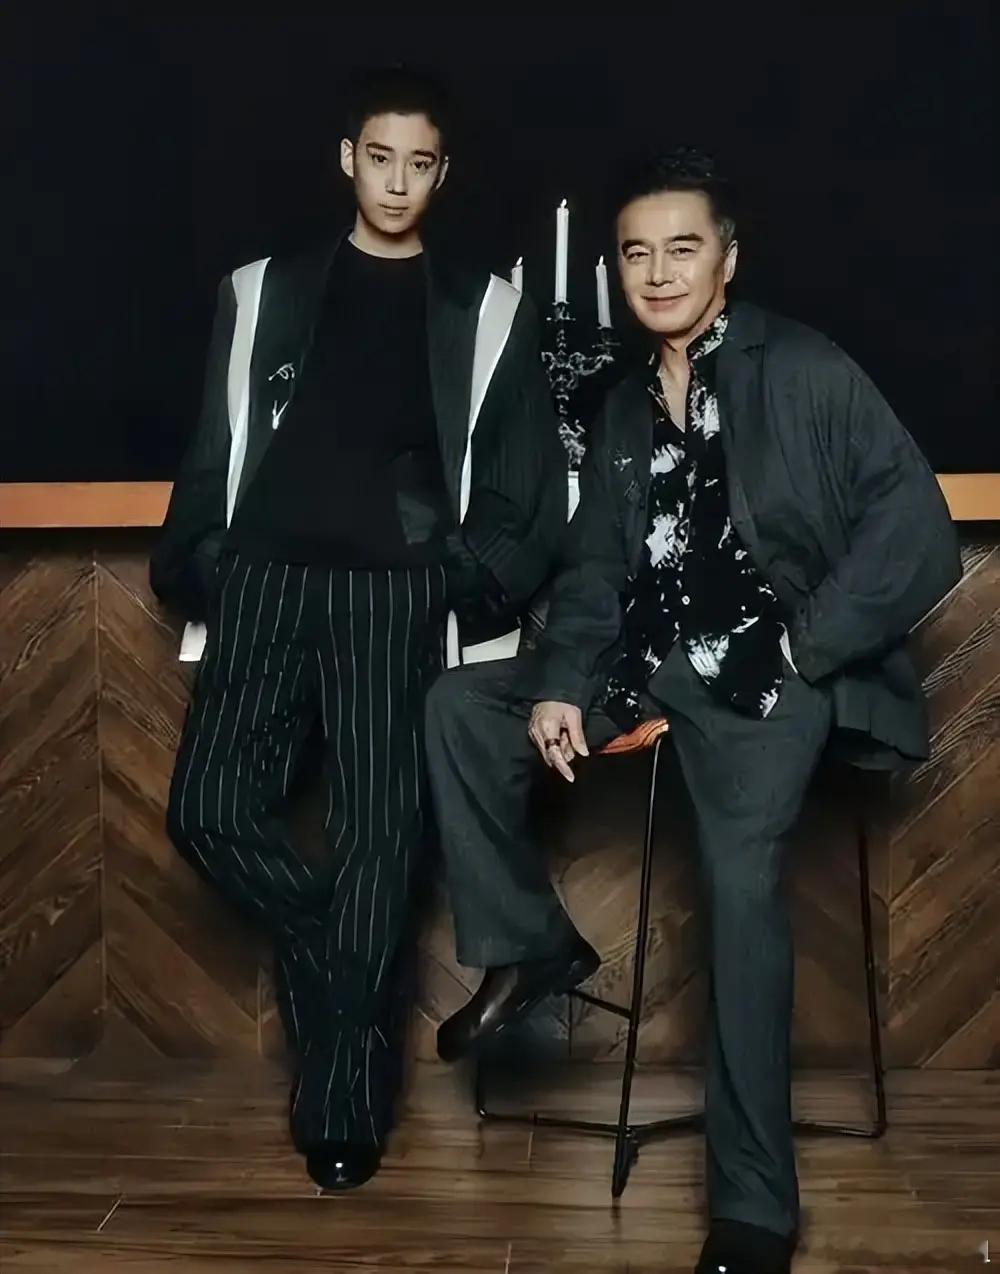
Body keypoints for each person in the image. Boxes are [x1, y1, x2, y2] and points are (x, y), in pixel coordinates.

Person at [425, 148, 961, 1274]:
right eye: (637, 253)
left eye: (683, 247)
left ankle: (755, 1205)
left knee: (742, 891)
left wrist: (805, 646)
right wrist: (560, 681)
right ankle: (531, 947)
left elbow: (917, 525)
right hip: (648, 663)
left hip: (772, 678)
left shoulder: (802, 367)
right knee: (462, 707)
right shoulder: (624, 403)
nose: (658, 272)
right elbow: (591, 571)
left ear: (728, 256)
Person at [150, 65, 565, 1192]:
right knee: (206, 809)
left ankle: (342, 1107)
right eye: (378, 158)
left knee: (383, 838)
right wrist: (206, 561)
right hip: (264, 582)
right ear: (348, 159)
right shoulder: (261, 289)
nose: (395, 181)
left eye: (418, 163)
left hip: (395, 594)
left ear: (441, 173)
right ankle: (337, 951)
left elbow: (528, 486)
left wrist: (456, 580)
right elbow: (215, 441)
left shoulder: (486, 308)